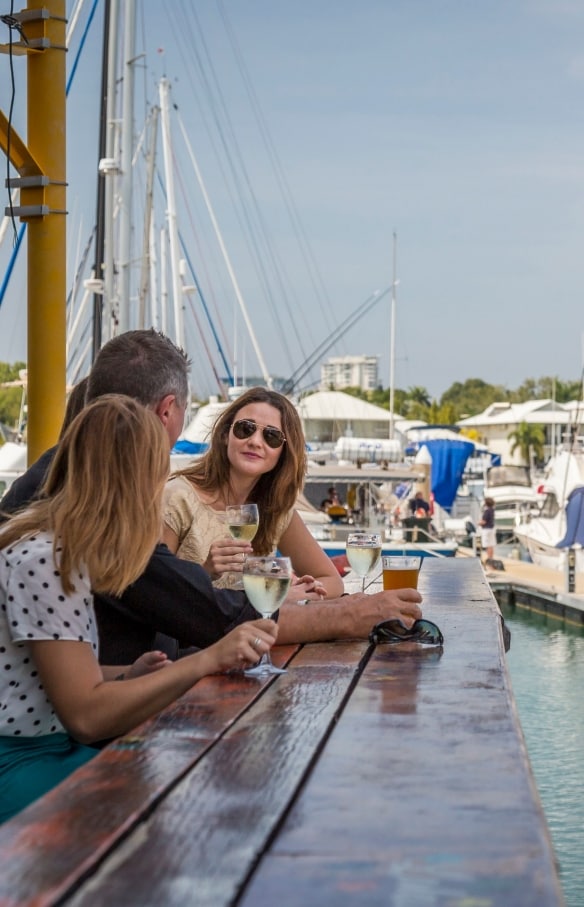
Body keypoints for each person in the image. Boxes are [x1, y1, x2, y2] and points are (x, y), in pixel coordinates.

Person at [0, 330, 423, 666]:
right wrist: (350, 616)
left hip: (121, 687)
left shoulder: (56, 478)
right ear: (168, 411)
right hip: (72, 739)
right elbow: (206, 612)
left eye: (272, 437)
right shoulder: (97, 499)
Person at [0, 395, 277, 822]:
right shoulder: (46, 562)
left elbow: (44, 677)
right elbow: (86, 716)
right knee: (183, 800)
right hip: (21, 760)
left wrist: (128, 676)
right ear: (133, 482)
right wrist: (207, 659)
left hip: (43, 747)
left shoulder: (55, 546)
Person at [161, 387, 344, 601]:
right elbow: (155, 596)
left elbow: (332, 580)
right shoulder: (178, 498)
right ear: (225, 435)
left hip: (253, 632)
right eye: (245, 429)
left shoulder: (274, 510)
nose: (256, 441)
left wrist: (285, 595)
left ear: (283, 453)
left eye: (272, 436)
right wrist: (204, 572)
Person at [479, 496, 496, 562]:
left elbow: (484, 521)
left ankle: (489, 558)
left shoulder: (487, 511)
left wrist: (479, 523)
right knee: (491, 545)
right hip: (491, 529)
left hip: (486, 530)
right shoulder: (492, 510)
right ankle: (491, 558)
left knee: (487, 545)